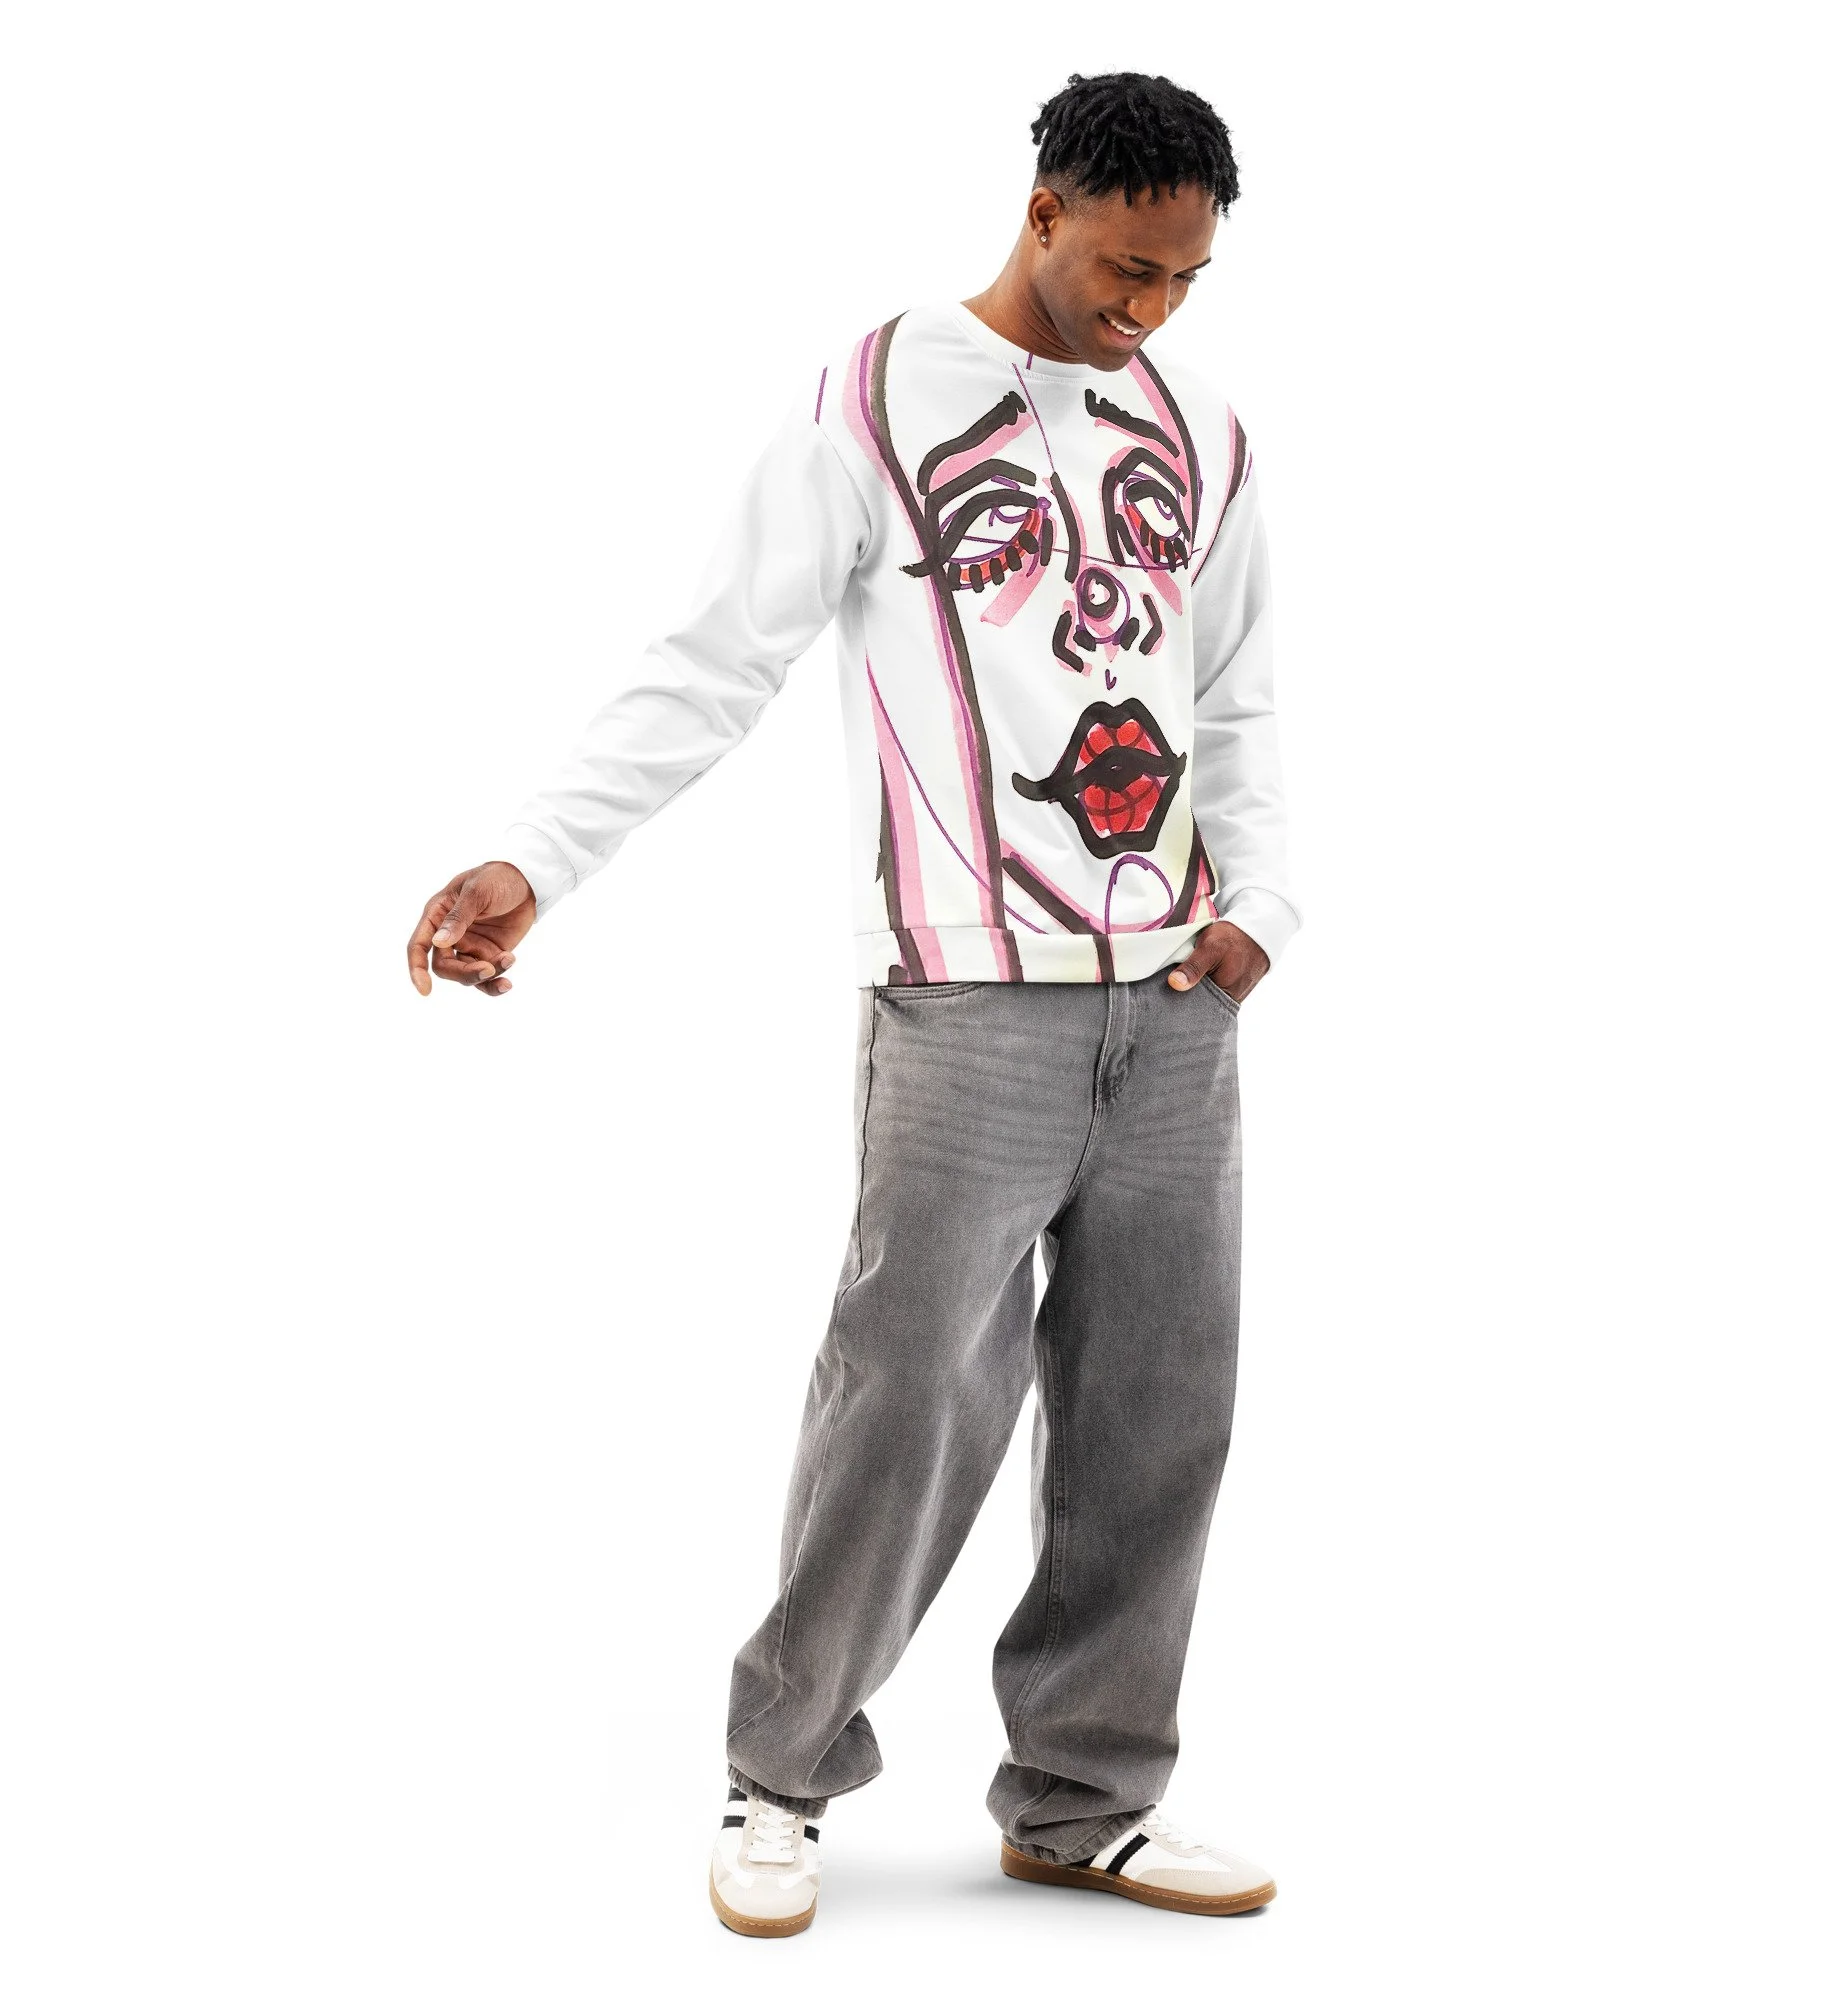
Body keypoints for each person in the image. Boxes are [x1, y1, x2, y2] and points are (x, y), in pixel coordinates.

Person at [405, 70, 1301, 1936]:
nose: (1149, 310)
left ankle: (1084, 1799)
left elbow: (1236, 694)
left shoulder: (1205, 429)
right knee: (904, 1401)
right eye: (1127, 267)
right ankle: (781, 1773)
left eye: (1185, 281)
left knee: (1161, 1413)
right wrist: (535, 859)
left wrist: (1264, 910)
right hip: (966, 1003)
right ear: (1044, 208)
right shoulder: (878, 401)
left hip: (1176, 1005)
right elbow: (712, 660)